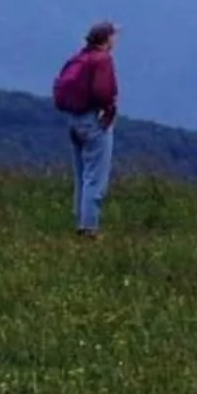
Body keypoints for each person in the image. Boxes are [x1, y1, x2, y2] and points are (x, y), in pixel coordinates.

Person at [52, 22, 120, 237]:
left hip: (75, 120)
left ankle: (81, 220)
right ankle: (89, 228)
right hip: (94, 121)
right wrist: (109, 109)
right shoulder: (103, 59)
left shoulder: (81, 57)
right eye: (114, 35)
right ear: (106, 38)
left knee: (82, 175)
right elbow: (103, 92)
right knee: (95, 177)